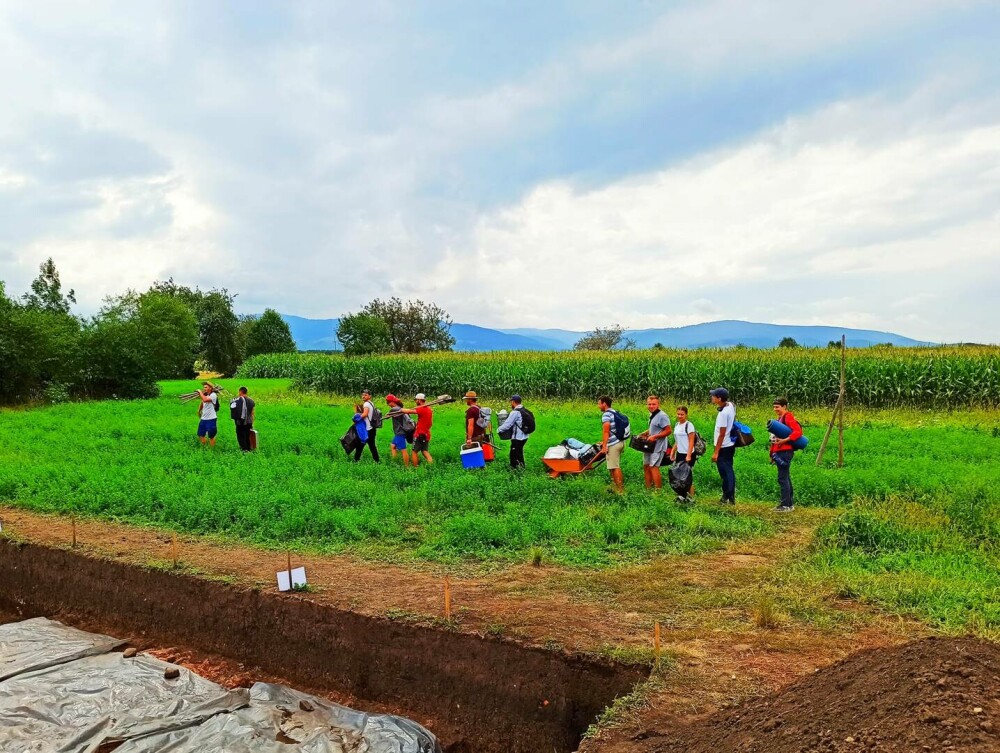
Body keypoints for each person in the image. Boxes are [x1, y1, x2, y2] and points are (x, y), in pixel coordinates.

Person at [770, 397, 803, 512]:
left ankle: (785, 506)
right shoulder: (779, 419)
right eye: (774, 407)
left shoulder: (787, 416)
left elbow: (798, 431)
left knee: (782, 478)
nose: (775, 409)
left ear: (784, 406)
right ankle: (788, 504)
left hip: (785, 452)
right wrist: (772, 454)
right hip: (779, 451)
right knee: (785, 477)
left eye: (777, 407)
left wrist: (784, 440)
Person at [638, 395, 672, 490]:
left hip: (658, 446)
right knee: (646, 466)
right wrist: (644, 433)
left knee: (653, 467)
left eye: (654, 404)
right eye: (649, 404)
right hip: (649, 445)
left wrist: (654, 436)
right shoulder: (652, 415)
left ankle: (658, 491)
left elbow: (668, 430)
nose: (651, 406)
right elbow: (654, 429)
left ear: (658, 405)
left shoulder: (662, 416)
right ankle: (648, 488)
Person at [710, 387, 737, 504]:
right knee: (727, 470)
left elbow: (721, 434)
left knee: (726, 472)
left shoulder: (723, 414)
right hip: (730, 445)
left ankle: (730, 497)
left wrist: (716, 452)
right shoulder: (730, 406)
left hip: (723, 446)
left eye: (714, 396)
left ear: (719, 398)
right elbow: (731, 404)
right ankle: (726, 496)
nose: (712, 397)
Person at [598, 395, 628, 492]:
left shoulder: (606, 415)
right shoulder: (614, 412)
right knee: (612, 466)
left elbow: (606, 431)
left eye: (599, 404)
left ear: (604, 404)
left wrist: (604, 446)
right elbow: (613, 429)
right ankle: (615, 487)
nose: (598, 406)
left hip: (613, 444)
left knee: (615, 467)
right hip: (620, 442)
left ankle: (620, 490)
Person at [669, 406, 698, 499]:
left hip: (688, 454)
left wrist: (689, 455)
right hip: (680, 453)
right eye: (678, 414)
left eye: (682, 414)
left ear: (686, 414)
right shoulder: (677, 425)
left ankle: (691, 497)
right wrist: (673, 452)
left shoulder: (689, 425)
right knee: (678, 476)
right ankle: (681, 495)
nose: (680, 416)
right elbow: (677, 441)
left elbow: (691, 441)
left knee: (687, 476)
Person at [400, 393, 434, 465]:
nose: (415, 401)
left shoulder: (421, 408)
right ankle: (431, 465)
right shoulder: (429, 409)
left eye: (416, 400)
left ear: (419, 400)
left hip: (419, 434)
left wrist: (401, 409)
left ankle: (415, 468)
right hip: (426, 434)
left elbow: (409, 411)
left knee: (414, 452)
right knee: (425, 451)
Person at [497, 395, 530, 469]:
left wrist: (499, 429)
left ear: (513, 402)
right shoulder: (524, 410)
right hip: (525, 436)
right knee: (519, 452)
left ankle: (515, 469)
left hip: (517, 437)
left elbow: (507, 425)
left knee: (514, 454)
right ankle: (521, 467)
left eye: (511, 402)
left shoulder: (515, 412)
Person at [385, 394, 413, 466]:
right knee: (393, 446)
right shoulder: (399, 408)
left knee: (403, 450)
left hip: (400, 432)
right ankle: (395, 461)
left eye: (388, 402)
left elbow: (386, 416)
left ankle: (407, 467)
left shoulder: (394, 409)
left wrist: (387, 414)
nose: (388, 404)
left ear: (392, 402)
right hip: (401, 431)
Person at [353, 390, 380, 463]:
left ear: (369, 396)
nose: (363, 396)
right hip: (372, 428)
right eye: (362, 395)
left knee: (360, 444)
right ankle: (377, 460)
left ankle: (356, 460)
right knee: (371, 445)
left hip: (368, 428)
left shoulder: (366, 404)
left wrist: (357, 418)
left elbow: (365, 414)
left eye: (365, 395)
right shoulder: (371, 403)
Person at [230, 386, 256, 452]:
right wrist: (252, 423)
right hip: (249, 422)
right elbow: (252, 413)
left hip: (240, 422)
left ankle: (244, 450)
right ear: (246, 392)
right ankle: (249, 449)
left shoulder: (238, 400)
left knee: (241, 436)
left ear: (240, 392)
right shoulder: (251, 401)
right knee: (247, 436)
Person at [196, 381, 220, 448]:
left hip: (211, 419)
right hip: (203, 418)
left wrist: (200, 392)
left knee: (211, 436)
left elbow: (205, 400)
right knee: (200, 434)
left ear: (210, 388)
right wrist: (199, 410)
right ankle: (204, 446)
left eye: (206, 387)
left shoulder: (213, 395)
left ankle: (212, 449)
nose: (204, 388)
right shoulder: (206, 394)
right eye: (204, 387)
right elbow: (202, 402)